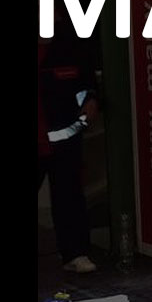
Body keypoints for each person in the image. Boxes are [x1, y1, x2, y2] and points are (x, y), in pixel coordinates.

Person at [39, 16, 99, 273]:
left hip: (64, 134)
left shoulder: (70, 40)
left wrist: (91, 100)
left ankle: (75, 253)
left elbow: (86, 80)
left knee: (69, 193)